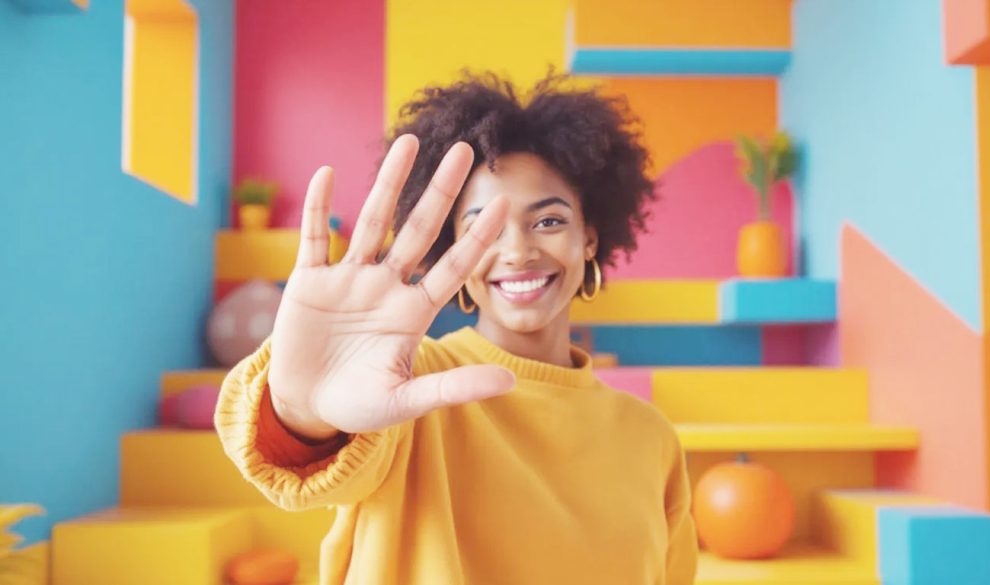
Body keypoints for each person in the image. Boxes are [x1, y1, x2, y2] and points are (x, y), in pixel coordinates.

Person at [215, 71, 698, 585]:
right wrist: (300, 412)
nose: (517, 251)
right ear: (453, 253)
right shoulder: (407, 385)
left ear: (590, 239)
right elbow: (307, 466)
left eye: (549, 221)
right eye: (482, 228)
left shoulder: (650, 437)